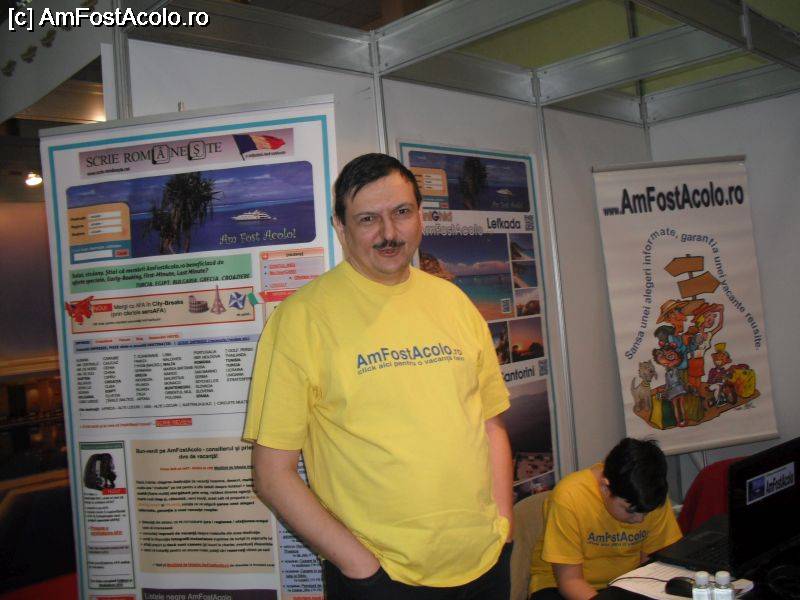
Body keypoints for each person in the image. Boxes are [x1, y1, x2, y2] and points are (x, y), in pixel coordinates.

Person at [243, 153, 514, 599]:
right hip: (380, 579)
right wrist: (361, 568)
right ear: (341, 227)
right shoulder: (301, 319)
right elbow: (272, 475)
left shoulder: (454, 303)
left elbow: (490, 424)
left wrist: (503, 529)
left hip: (485, 564)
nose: (389, 233)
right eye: (368, 219)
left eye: (401, 212)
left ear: (420, 216)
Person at [529, 438, 682, 600]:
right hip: (561, 585)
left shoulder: (649, 497)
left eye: (646, 513)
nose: (639, 520)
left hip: (626, 582)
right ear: (604, 487)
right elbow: (570, 581)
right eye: (630, 510)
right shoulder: (569, 497)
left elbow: (649, 569)